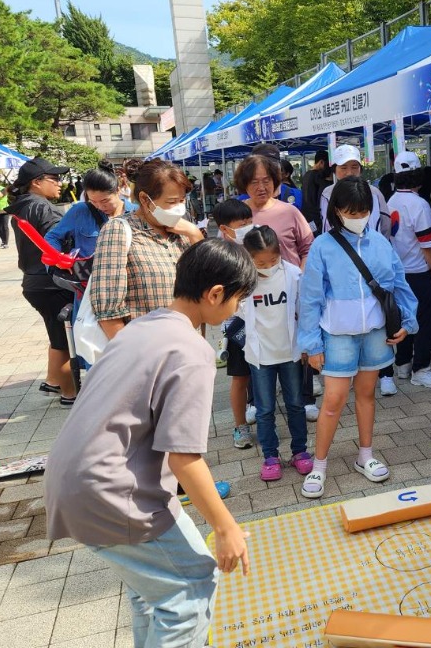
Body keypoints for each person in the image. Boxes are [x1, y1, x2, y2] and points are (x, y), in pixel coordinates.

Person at [44, 239, 258, 646]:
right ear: (215, 294)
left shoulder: (142, 325)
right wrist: (225, 525)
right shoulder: (191, 350)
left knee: (153, 593)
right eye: (238, 299)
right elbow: (184, 459)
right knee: (187, 593)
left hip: (77, 480)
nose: (238, 309)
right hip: (111, 490)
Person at [297, 177, 418, 498]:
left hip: (375, 333)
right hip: (336, 335)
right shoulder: (323, 245)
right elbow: (310, 298)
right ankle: (319, 465)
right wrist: (311, 344)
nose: (357, 215)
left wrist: (408, 320)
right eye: (350, 210)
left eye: (363, 210)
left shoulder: (381, 242)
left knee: (367, 395)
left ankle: (365, 455)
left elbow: (400, 285)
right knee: (333, 401)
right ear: (336, 210)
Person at [91, 159, 206, 340]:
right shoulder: (118, 231)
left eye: (182, 200)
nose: (178, 208)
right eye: (171, 201)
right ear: (145, 199)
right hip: (147, 350)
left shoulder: (183, 231)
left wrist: (194, 234)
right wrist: (134, 357)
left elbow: (204, 289)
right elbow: (107, 310)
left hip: (188, 345)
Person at [240, 226, 312, 481]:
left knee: (295, 404)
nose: (268, 266)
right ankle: (270, 456)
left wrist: (306, 346)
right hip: (261, 356)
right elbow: (235, 311)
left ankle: (300, 452)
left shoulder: (293, 275)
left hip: (290, 352)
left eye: (273, 260)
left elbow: (304, 312)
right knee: (264, 409)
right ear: (249, 258)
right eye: (261, 262)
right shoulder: (244, 281)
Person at [7, 157, 77, 404]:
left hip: (33, 282)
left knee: (57, 331)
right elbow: (61, 240)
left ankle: (53, 382)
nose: (60, 183)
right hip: (51, 282)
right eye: (54, 178)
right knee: (69, 335)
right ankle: (70, 394)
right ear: (36, 182)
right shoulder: (44, 208)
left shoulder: (23, 205)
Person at [387, 151, 431, 389]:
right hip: (420, 272)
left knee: (403, 319)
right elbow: (428, 245)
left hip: (397, 274)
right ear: (419, 175)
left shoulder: (390, 201)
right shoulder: (420, 205)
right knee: (425, 322)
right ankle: (421, 368)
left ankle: (402, 364)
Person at [212, 198, 258, 448]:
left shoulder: (257, 245)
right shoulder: (219, 256)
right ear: (225, 229)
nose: (248, 227)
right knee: (240, 378)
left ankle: (265, 416)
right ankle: (240, 427)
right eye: (242, 224)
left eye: (250, 222)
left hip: (264, 321)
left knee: (267, 375)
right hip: (237, 327)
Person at [45, 164, 127, 258]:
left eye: (105, 200)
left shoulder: (136, 212)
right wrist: (57, 258)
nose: (100, 206)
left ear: (118, 191)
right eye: (93, 201)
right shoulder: (81, 211)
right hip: (88, 271)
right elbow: (52, 237)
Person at [319, 145, 389, 238]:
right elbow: (326, 224)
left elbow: (385, 224)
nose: (349, 172)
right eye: (343, 168)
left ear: (360, 169)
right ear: (334, 170)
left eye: (354, 167)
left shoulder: (374, 193)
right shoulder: (327, 194)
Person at [300, 149, 331, 230]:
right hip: (316, 218)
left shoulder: (306, 175)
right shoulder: (318, 177)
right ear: (321, 162)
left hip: (307, 217)